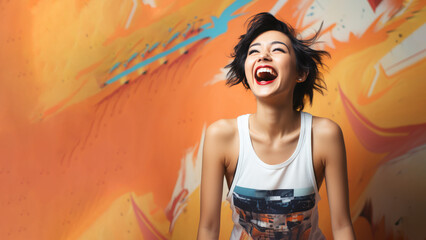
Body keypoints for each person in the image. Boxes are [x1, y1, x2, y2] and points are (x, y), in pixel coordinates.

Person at [197, 12, 355, 240]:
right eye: (254, 51)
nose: (263, 56)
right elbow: (208, 229)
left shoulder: (324, 135)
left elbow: (342, 227)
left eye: (278, 49)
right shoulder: (222, 137)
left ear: (301, 73)